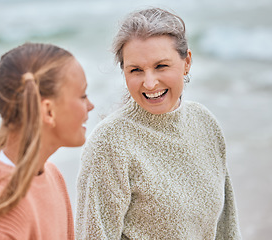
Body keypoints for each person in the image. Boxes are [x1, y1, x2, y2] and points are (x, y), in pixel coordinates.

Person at [76, 8, 241, 239]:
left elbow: (227, 227)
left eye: (161, 66)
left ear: (187, 62)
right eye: (136, 70)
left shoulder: (205, 123)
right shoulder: (109, 143)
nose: (150, 83)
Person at [0, 42, 94, 239]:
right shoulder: (0, 216)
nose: (90, 105)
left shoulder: (51, 174)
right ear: (48, 111)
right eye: (82, 96)